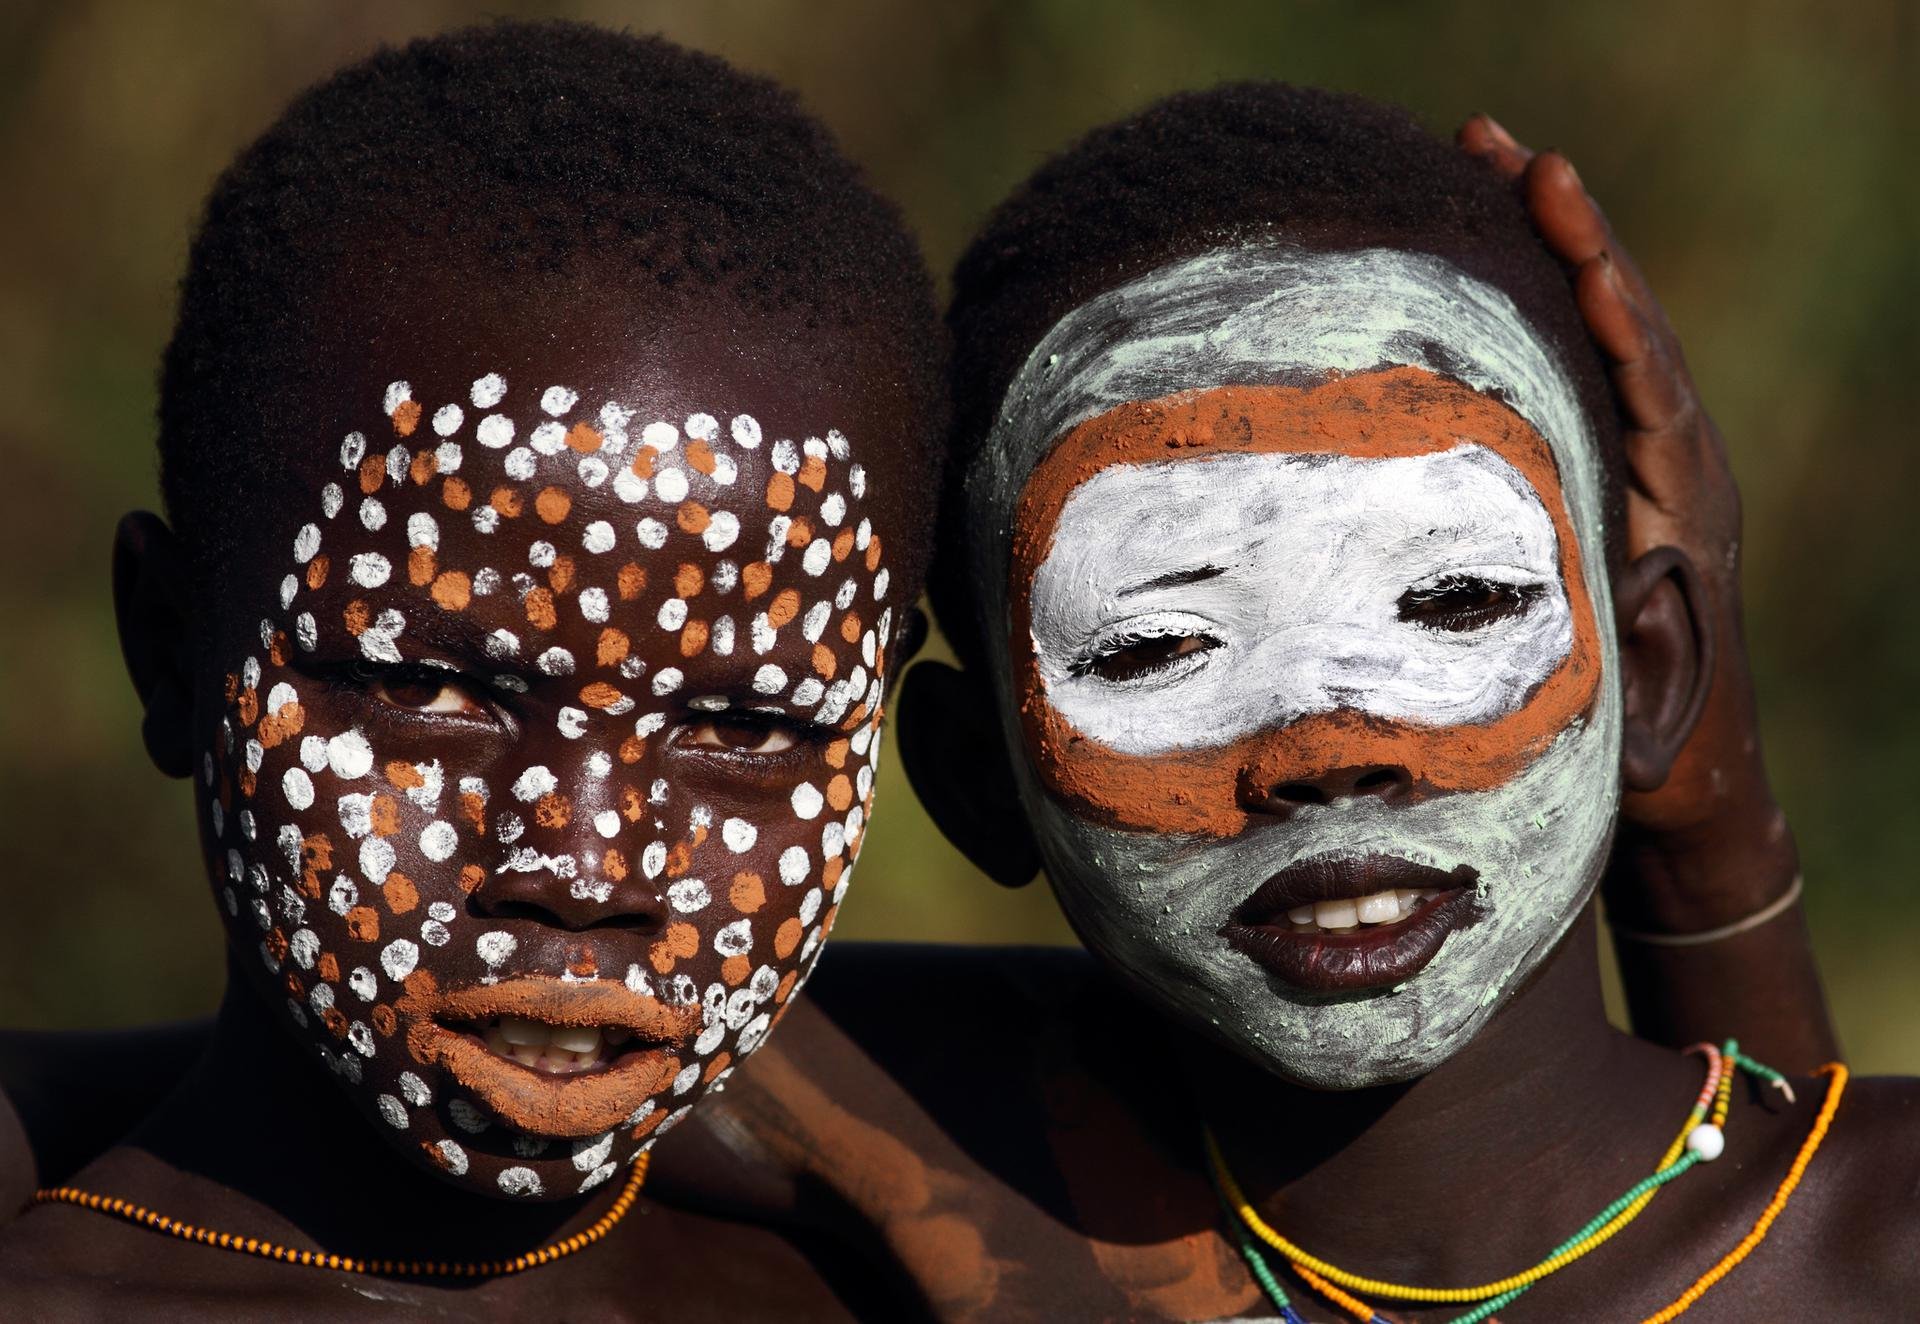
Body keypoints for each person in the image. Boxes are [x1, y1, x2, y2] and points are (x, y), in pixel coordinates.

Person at [640, 86, 1906, 1319]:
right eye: (1153, 646)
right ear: (980, 779)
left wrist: (1708, 841)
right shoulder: (953, 1165)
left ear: (1658, 664)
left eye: (1457, 598)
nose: (1329, 743)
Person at [0, 21, 946, 1317]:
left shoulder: (964, 1263)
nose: (588, 869)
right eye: (436, 695)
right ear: (171, 650)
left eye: (740, 720)